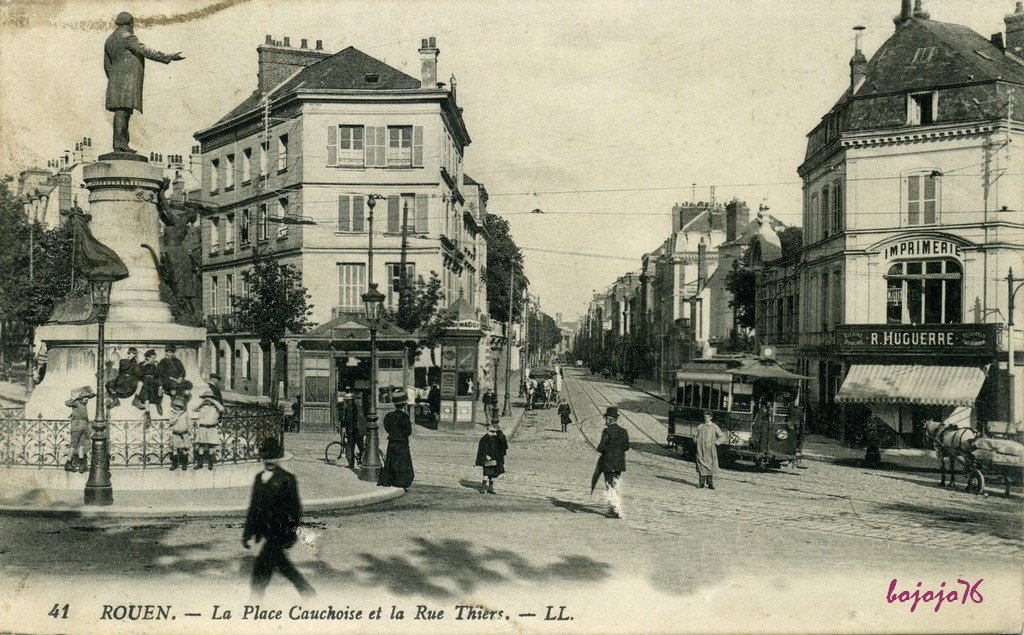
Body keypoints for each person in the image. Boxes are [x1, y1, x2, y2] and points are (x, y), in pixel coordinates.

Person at [243, 437, 315, 599]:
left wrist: (291, 533)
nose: (269, 461)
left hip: (279, 532)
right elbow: (254, 508)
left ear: (278, 458)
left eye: (272, 458)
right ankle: (307, 591)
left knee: (262, 568)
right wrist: (247, 534)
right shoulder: (259, 478)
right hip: (264, 532)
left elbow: (295, 509)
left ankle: (254, 602)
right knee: (282, 565)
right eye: (266, 458)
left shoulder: (287, 479)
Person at [104, 12, 184, 153]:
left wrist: (114, 80)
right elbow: (145, 51)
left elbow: (107, 64)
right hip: (127, 81)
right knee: (123, 112)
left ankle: (121, 143)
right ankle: (120, 144)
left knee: (122, 111)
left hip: (115, 81)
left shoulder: (110, 40)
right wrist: (167, 57)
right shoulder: (127, 37)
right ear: (130, 23)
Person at [596, 406, 629, 518]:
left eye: (606, 418)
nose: (605, 421)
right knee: (615, 485)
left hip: (608, 463)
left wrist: (606, 449)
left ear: (609, 419)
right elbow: (626, 447)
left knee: (609, 486)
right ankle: (615, 509)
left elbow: (601, 447)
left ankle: (614, 510)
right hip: (619, 464)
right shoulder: (623, 431)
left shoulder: (607, 431)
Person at [377, 389, 415, 490]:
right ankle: (400, 482)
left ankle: (391, 480)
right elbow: (408, 431)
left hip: (392, 441)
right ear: (404, 405)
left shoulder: (389, 416)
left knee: (391, 461)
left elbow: (387, 427)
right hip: (402, 442)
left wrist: (392, 433)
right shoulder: (404, 417)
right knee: (402, 462)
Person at [64, 386, 95, 473]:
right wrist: (74, 397)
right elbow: (67, 403)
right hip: (77, 426)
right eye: (85, 398)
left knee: (82, 446)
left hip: (84, 426)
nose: (87, 400)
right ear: (81, 397)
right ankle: (68, 464)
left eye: (88, 398)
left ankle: (82, 465)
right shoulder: (76, 402)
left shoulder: (84, 405)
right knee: (73, 445)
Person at [695, 411, 728, 490]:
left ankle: (710, 484)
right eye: (705, 417)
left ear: (711, 418)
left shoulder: (714, 427)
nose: (706, 419)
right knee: (701, 466)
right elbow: (695, 435)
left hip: (710, 450)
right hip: (701, 449)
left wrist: (715, 443)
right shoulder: (700, 426)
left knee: (710, 466)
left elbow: (721, 437)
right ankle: (701, 483)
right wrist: (696, 441)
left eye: (707, 417)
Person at [193, 391, 224, 470]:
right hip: (203, 428)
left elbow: (222, 409)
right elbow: (194, 409)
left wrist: (214, 402)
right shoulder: (203, 407)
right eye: (206, 398)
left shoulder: (216, 407)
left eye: (209, 398)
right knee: (201, 445)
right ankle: (200, 463)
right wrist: (202, 404)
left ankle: (210, 463)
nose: (208, 400)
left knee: (211, 446)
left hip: (211, 428)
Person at [475, 422, 508, 494]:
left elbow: (503, 443)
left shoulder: (497, 438)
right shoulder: (485, 438)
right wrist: (486, 455)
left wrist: (498, 432)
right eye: (491, 431)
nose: (492, 433)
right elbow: (482, 448)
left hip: (495, 458)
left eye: (494, 431)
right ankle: (483, 487)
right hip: (488, 458)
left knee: (493, 473)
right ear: (487, 430)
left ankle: (490, 487)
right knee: (486, 472)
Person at [340, 392, 366, 469]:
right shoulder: (359, 406)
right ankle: (363, 460)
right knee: (361, 447)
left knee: (350, 447)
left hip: (352, 431)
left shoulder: (348, 408)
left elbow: (346, 420)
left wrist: (343, 426)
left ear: (348, 400)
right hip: (360, 431)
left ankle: (351, 464)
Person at [167, 395, 192, 471]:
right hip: (176, 433)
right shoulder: (172, 413)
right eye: (176, 406)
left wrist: (189, 429)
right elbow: (170, 422)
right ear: (174, 406)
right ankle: (174, 464)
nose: (177, 408)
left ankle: (184, 464)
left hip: (184, 434)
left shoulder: (185, 413)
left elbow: (189, 422)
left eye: (179, 406)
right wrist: (176, 417)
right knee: (175, 449)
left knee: (184, 449)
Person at [135, 349, 163, 416]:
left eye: (154, 358)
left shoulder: (153, 365)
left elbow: (157, 375)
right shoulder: (141, 364)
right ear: (147, 357)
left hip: (153, 380)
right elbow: (138, 375)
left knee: (161, 386)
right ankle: (147, 415)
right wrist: (145, 365)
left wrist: (157, 367)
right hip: (145, 380)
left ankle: (158, 403)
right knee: (146, 394)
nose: (154, 359)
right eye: (152, 358)